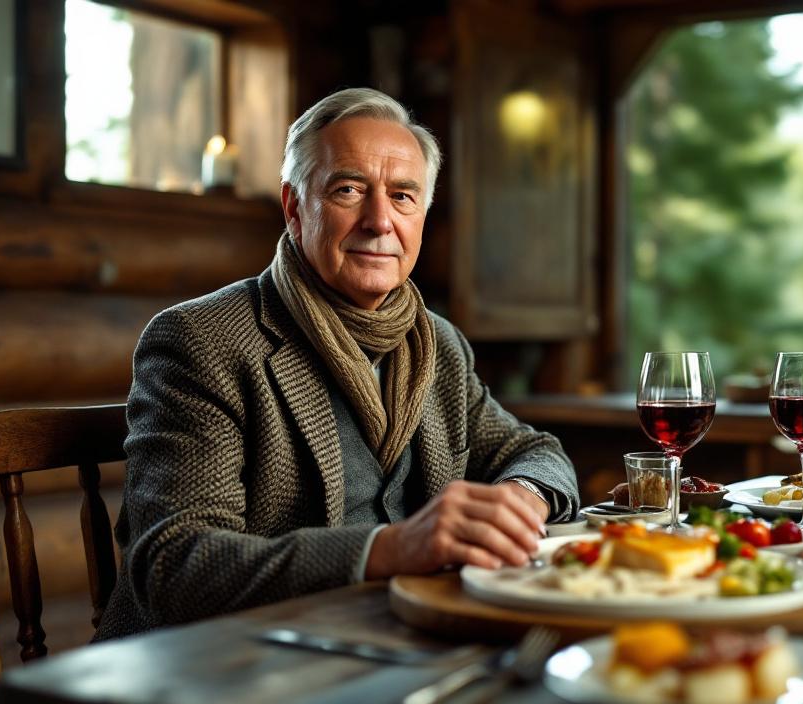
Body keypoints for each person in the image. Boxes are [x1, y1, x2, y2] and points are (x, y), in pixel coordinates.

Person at [94, 88, 580, 643]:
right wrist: (392, 549)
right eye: (349, 190)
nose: (379, 221)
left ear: (422, 217)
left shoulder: (438, 344)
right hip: (223, 673)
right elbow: (175, 566)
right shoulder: (201, 339)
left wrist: (523, 496)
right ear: (294, 206)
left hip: (394, 646)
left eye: (402, 196)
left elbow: (536, 453)